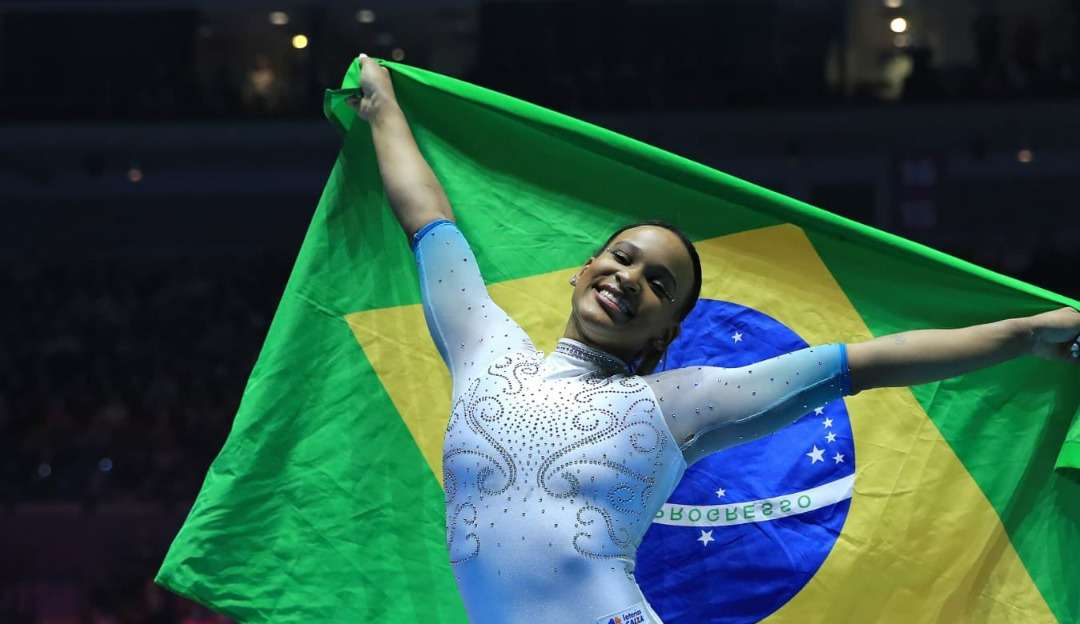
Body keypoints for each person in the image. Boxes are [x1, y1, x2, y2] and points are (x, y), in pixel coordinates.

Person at [346, 54, 1080, 624]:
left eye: (659, 284)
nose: (630, 278)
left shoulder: (677, 404)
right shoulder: (485, 349)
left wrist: (1023, 334)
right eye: (622, 257)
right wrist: (380, 104)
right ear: (583, 271)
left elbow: (865, 363)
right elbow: (427, 220)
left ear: (667, 332)